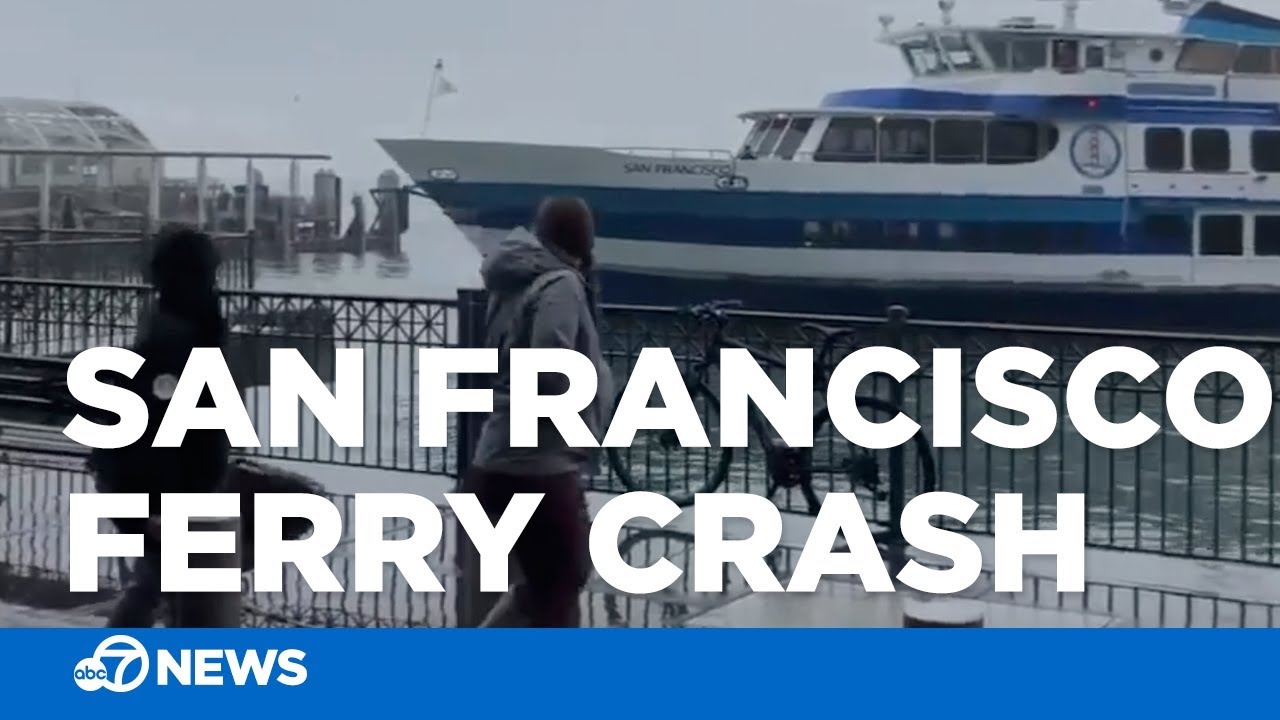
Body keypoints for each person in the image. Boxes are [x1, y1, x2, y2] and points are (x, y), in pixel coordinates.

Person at [467, 196, 611, 628]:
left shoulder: (514, 281)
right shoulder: (560, 283)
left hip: (500, 457)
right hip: (538, 463)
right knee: (559, 582)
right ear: (581, 239)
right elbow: (550, 363)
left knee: (548, 584)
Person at [87, 225, 232, 628]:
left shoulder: (171, 332)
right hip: (172, 485)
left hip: (173, 481)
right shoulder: (181, 340)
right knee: (158, 581)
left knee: (158, 581)